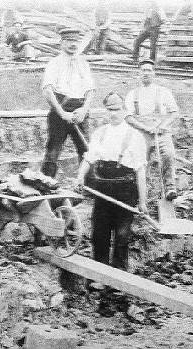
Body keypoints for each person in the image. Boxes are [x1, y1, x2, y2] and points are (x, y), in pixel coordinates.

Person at [76, 92, 147, 317]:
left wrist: (143, 201)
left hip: (125, 190)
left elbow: (140, 170)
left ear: (125, 111)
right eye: (109, 109)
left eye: (117, 109)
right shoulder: (100, 133)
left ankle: (117, 283)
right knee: (99, 234)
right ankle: (98, 277)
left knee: (122, 237)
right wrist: (79, 177)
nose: (113, 113)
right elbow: (89, 158)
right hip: (103, 188)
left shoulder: (135, 136)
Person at [40, 28, 95, 178]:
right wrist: (62, 113)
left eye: (76, 41)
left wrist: (84, 110)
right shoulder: (54, 63)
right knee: (53, 151)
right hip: (60, 110)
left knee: (86, 151)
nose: (73, 44)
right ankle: (46, 184)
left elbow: (90, 90)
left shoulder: (83, 63)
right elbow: (47, 91)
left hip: (80, 112)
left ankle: (88, 188)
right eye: (69, 41)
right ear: (61, 42)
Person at [125, 59, 179, 200]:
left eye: (149, 70)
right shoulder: (132, 94)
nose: (146, 73)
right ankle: (140, 192)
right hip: (142, 132)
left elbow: (174, 113)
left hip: (161, 131)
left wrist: (163, 126)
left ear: (154, 73)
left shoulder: (163, 92)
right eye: (143, 70)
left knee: (168, 154)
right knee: (141, 160)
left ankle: (169, 188)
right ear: (138, 73)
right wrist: (145, 128)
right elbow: (129, 117)